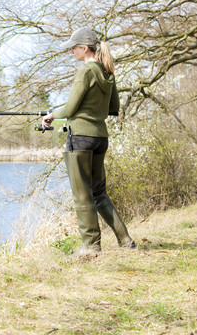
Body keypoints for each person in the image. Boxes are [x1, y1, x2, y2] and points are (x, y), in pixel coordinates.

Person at [42, 28, 137, 256]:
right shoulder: (108, 72)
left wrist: (51, 115)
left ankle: (91, 247)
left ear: (85, 48)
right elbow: (113, 107)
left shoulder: (86, 71)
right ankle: (126, 242)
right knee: (99, 192)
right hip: (100, 137)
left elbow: (71, 107)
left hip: (81, 138)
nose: (71, 51)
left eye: (73, 48)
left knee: (82, 193)